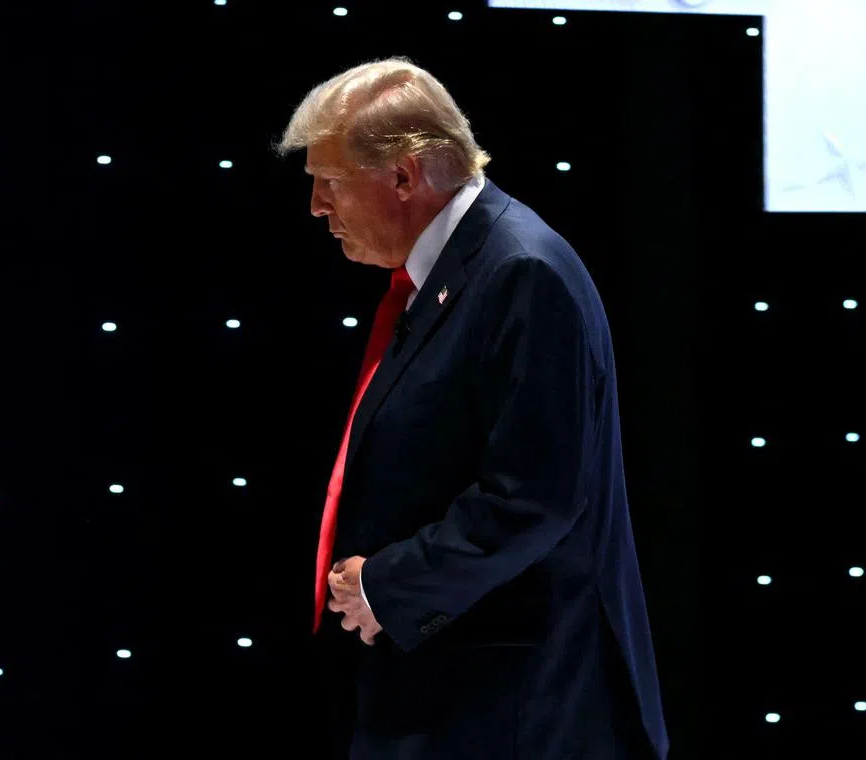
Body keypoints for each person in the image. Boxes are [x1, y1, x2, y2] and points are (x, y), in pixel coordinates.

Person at [274, 57, 670, 760]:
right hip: (450, 687)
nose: (316, 207)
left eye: (330, 183)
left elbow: (534, 499)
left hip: (515, 703)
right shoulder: (455, 269)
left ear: (404, 174)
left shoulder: (521, 272)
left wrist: (386, 586)